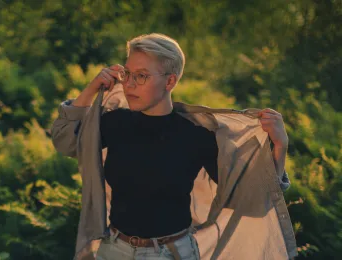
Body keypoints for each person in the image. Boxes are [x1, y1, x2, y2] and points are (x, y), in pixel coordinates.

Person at [52, 33, 293, 260]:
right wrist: (93, 87)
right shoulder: (115, 122)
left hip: (172, 253)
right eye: (128, 73)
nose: (129, 85)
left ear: (170, 81)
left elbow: (251, 199)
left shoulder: (196, 135)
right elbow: (66, 141)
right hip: (114, 250)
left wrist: (280, 145)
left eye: (142, 76)